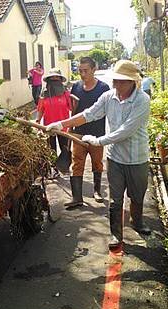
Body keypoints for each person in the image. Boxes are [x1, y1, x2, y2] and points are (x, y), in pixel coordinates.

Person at [46, 60, 151, 249]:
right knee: (115, 198)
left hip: (137, 159)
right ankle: (116, 235)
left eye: (121, 81)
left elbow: (126, 130)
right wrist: (62, 124)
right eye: (115, 81)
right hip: (115, 158)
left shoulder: (142, 100)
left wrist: (98, 141)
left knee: (137, 195)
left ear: (132, 82)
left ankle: (138, 222)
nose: (116, 85)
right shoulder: (108, 96)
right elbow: (89, 114)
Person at [66, 57, 110, 209]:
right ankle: (76, 197)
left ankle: (97, 191)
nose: (82, 74)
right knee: (77, 163)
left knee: (97, 163)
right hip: (78, 133)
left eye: (85, 70)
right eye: (80, 71)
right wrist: (70, 128)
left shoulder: (103, 88)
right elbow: (73, 109)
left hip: (97, 134)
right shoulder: (76, 86)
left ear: (93, 70)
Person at [35, 68, 71, 178]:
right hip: (49, 126)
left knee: (65, 147)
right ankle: (54, 169)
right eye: (52, 77)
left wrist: (73, 123)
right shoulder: (44, 93)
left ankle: (64, 167)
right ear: (49, 79)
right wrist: (37, 121)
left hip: (63, 126)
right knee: (52, 149)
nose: (54, 79)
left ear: (60, 79)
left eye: (57, 77)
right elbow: (41, 109)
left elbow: (72, 108)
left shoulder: (65, 93)